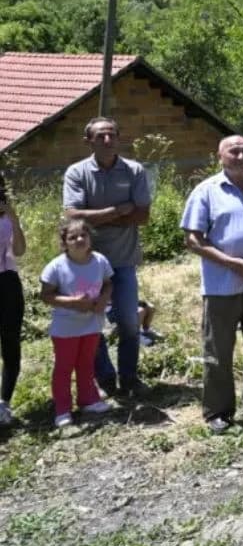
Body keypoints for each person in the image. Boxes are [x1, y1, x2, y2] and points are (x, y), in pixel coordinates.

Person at [181, 135, 243, 434]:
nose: (240, 155)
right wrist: (231, 263)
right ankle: (217, 411)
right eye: (233, 151)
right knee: (218, 350)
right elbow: (193, 240)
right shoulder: (206, 192)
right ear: (220, 156)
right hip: (222, 285)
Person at [62, 117, 151, 399]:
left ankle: (129, 378)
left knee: (128, 322)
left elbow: (143, 215)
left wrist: (97, 218)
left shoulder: (134, 170)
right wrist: (119, 211)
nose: (107, 140)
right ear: (88, 141)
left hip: (123, 260)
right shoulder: (77, 173)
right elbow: (73, 216)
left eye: (112, 134)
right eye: (100, 136)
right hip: (87, 263)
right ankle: (105, 378)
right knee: (91, 322)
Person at [40, 218, 114, 428]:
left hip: (92, 323)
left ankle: (88, 400)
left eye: (83, 235)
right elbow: (46, 296)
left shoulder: (100, 261)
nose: (79, 239)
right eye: (73, 237)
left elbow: (108, 284)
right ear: (64, 243)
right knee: (64, 367)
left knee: (86, 364)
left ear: (90, 238)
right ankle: (62, 409)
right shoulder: (56, 267)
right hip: (66, 328)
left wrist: (103, 299)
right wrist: (72, 302)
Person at [0, 178, 26, 426]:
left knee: (10, 340)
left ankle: (4, 402)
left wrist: (14, 218)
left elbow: (19, 251)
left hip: (7, 281)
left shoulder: (8, 218)